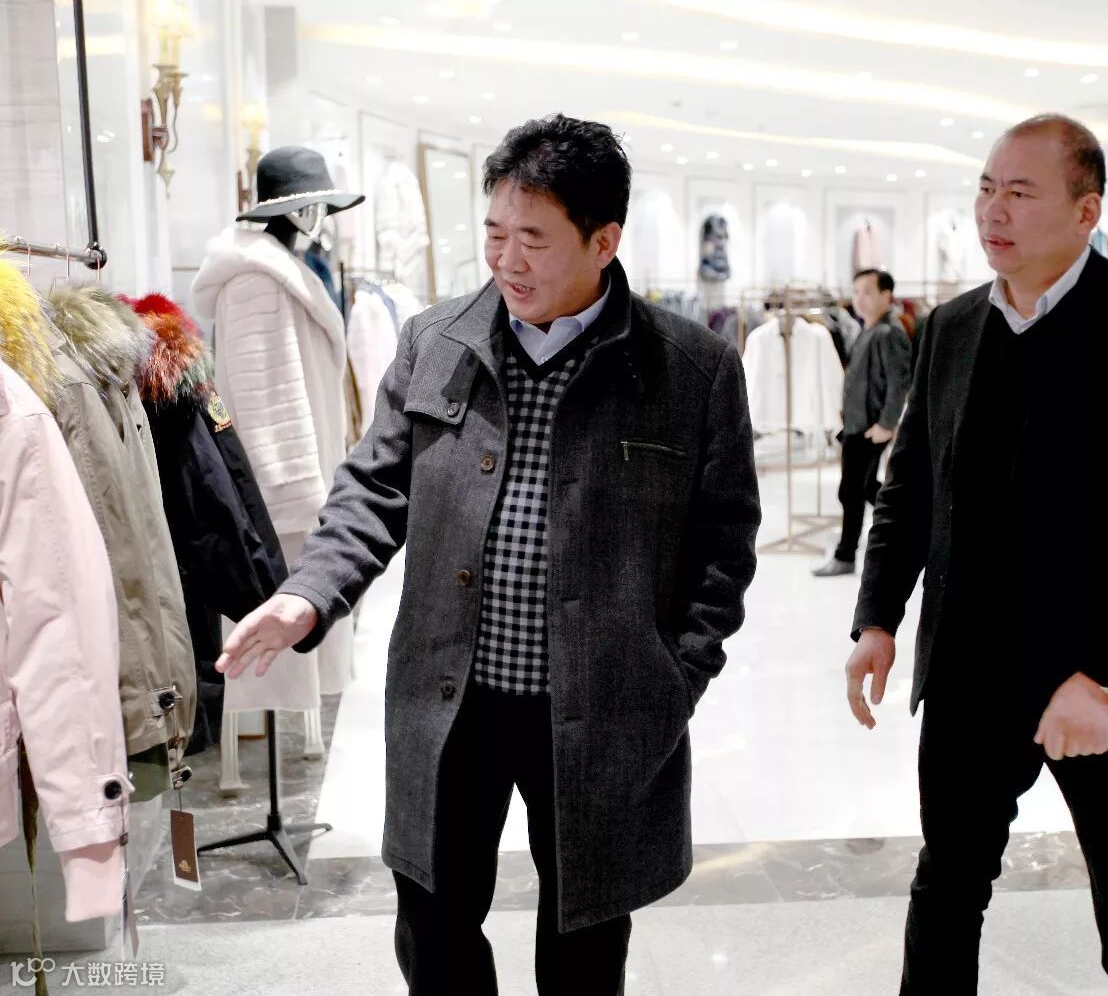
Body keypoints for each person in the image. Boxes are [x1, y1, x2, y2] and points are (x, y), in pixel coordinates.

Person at [214, 114, 761, 996]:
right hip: (450, 698)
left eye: (534, 239)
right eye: (495, 233)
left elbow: (724, 544)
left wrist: (675, 676)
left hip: (600, 704)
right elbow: (373, 488)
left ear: (604, 241)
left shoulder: (689, 371)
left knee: (585, 938)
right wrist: (307, 593)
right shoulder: (436, 340)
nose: (508, 260)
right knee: (434, 928)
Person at [843, 114, 1108, 995]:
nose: (993, 211)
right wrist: (878, 617)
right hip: (971, 672)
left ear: (1087, 211)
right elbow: (911, 486)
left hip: (1102, 683)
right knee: (946, 888)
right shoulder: (951, 325)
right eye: (986, 188)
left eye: (1020, 192)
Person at [813, 268, 912, 577]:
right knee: (867, 487)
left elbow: (899, 381)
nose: (859, 299)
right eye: (856, 292)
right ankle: (911, 524)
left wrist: (887, 423)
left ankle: (845, 555)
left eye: (867, 292)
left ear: (886, 295)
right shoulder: (867, 329)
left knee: (851, 491)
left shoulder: (888, 332)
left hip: (870, 428)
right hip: (857, 425)